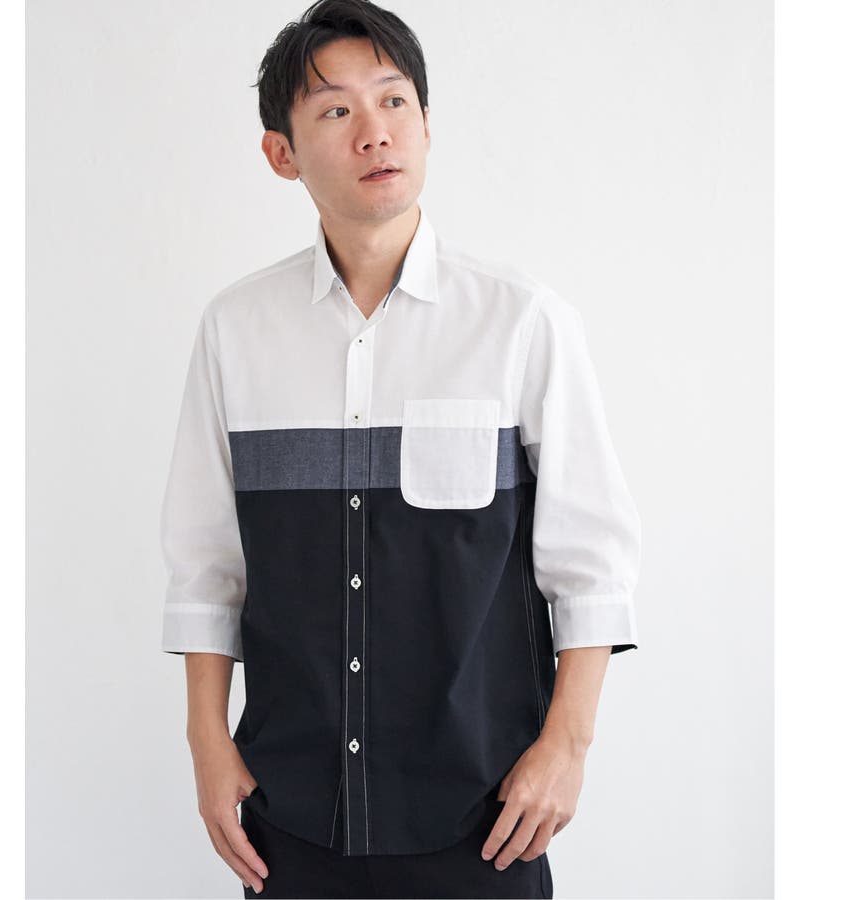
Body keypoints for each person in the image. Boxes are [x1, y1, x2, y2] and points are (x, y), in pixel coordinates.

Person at [159, 1, 641, 897]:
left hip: (486, 818)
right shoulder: (235, 331)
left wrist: (566, 749)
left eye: (394, 101)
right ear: (281, 153)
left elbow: (592, 564)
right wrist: (207, 746)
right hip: (290, 817)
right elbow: (206, 568)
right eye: (336, 110)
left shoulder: (522, 323)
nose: (374, 131)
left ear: (426, 125)